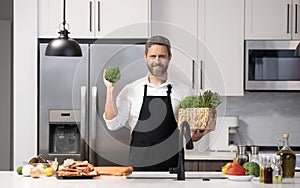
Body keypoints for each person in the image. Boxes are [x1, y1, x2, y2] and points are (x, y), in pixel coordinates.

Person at [103, 35, 208, 171]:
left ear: (169, 57)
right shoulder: (131, 90)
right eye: (153, 56)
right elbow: (112, 124)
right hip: (138, 170)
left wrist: (198, 134)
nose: (157, 61)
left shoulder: (184, 91)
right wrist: (110, 90)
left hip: (172, 169)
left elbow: (192, 137)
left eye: (162, 56)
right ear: (145, 56)